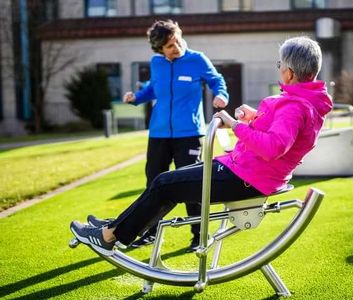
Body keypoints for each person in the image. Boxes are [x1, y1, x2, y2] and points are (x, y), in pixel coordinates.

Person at [70, 36, 333, 256]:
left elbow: (274, 147)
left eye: (279, 64)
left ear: (289, 72)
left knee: (164, 183)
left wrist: (234, 125)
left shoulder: (295, 106)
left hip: (247, 176)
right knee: (166, 183)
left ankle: (108, 236)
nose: (279, 70)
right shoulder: (302, 102)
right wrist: (254, 117)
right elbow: (281, 135)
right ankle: (115, 227)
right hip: (245, 170)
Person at [96, 20, 229, 251]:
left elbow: (217, 80)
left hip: (189, 133)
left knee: (193, 184)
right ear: (159, 49)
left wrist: (221, 95)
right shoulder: (156, 63)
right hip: (158, 134)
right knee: (153, 183)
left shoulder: (197, 59)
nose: (176, 47)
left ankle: (199, 235)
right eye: (169, 45)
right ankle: (150, 232)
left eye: (177, 40)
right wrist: (136, 98)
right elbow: (152, 88)